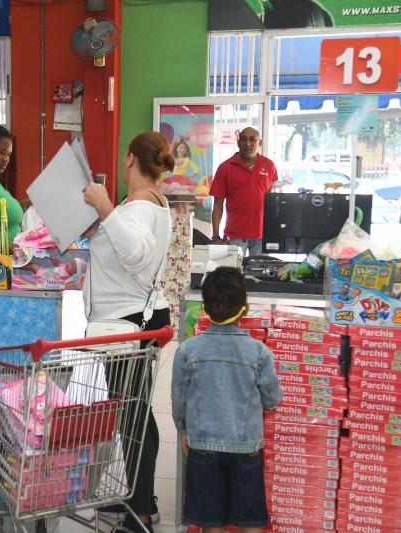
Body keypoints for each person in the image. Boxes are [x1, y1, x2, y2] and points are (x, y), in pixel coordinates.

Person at [82, 131, 173, 533]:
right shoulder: (151, 203)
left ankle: (138, 512)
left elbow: (135, 255)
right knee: (137, 412)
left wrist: (105, 210)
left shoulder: (137, 206)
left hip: (128, 323)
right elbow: (126, 257)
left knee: (131, 417)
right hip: (136, 319)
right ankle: (140, 501)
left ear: (130, 159)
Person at [171, 266, 282, 533]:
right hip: (246, 448)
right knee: (250, 518)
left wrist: (183, 429)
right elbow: (271, 398)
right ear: (244, 309)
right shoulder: (259, 352)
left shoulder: (187, 351)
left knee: (211, 522)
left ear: (205, 310)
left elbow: (179, 400)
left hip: (203, 447)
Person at [209, 127, 278, 256]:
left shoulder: (269, 166)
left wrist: (275, 232)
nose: (248, 143)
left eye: (252, 140)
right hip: (234, 236)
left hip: (262, 235)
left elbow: (274, 202)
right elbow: (218, 204)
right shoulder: (225, 168)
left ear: (260, 143)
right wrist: (215, 236)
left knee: (260, 275)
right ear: (238, 143)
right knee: (232, 275)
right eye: (243, 140)